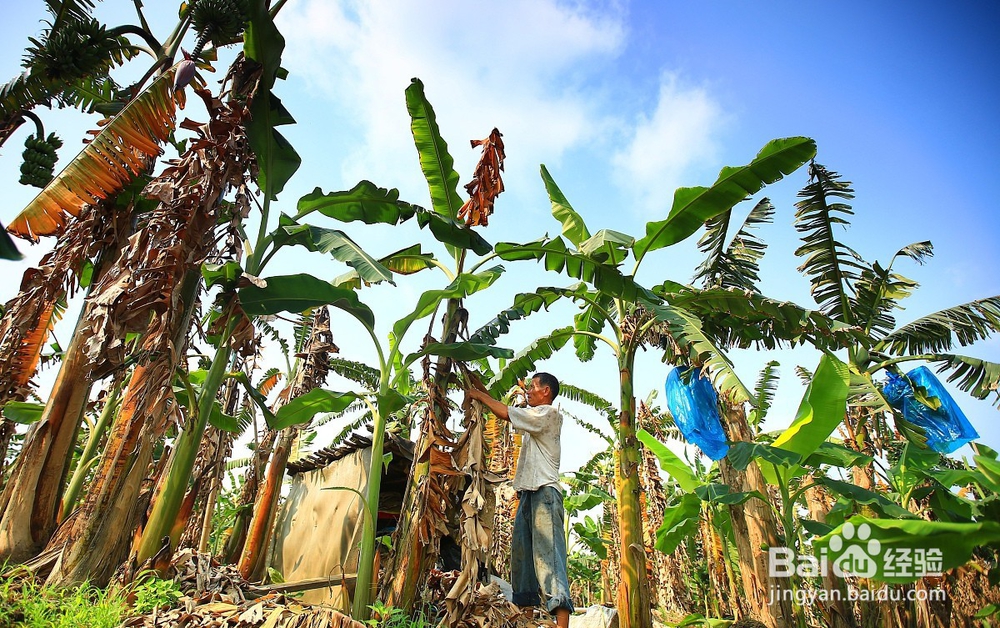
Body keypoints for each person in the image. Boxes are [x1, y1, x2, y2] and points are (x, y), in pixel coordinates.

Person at [466, 372, 573, 628]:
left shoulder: (548, 414)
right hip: (528, 493)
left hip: (545, 494)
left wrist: (478, 395)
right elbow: (515, 411)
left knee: (550, 560)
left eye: (534, 387)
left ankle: (562, 623)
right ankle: (525, 619)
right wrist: (516, 394)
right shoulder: (534, 416)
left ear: (546, 391)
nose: (529, 390)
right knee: (522, 560)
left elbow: (505, 413)